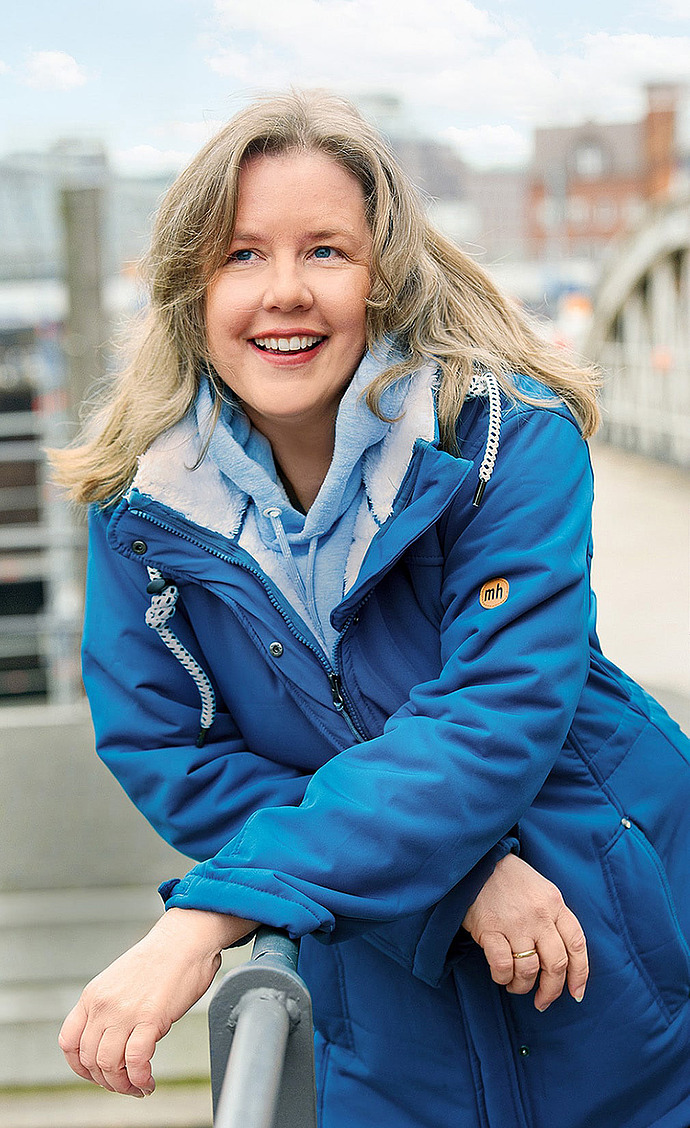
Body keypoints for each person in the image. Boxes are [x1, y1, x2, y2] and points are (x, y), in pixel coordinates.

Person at [53, 90, 690, 1128]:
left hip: (610, 960)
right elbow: (170, 751)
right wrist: (450, 882)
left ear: (384, 272)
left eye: (327, 252)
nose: (285, 292)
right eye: (243, 255)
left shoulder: (506, 445)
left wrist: (206, 916)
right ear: (189, 284)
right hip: (383, 1016)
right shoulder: (144, 510)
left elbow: (494, 715)